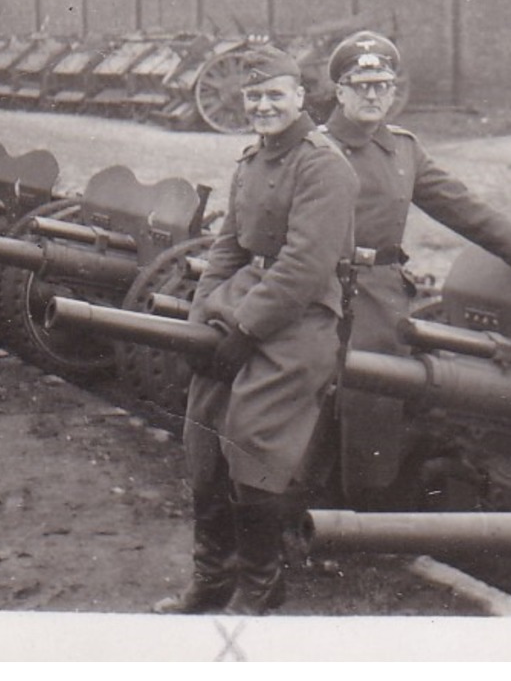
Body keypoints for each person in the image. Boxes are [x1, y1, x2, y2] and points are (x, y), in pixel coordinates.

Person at [320, 31, 511, 505]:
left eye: (382, 85)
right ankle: (315, 507)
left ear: (393, 92)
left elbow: (458, 205)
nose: (373, 95)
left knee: (379, 397)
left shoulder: (404, 150)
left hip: (379, 293)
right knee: (324, 396)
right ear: (339, 92)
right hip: (322, 287)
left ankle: (360, 514)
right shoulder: (316, 148)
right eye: (360, 85)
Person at [153, 44, 358, 617]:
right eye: (254, 96)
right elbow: (227, 250)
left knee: (251, 436)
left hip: (301, 318)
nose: (263, 106)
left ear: (299, 97)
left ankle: (260, 589)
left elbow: (305, 265)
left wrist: (244, 329)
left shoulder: (323, 164)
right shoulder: (250, 161)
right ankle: (212, 579)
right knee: (204, 432)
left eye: (274, 95)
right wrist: (200, 322)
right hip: (245, 303)